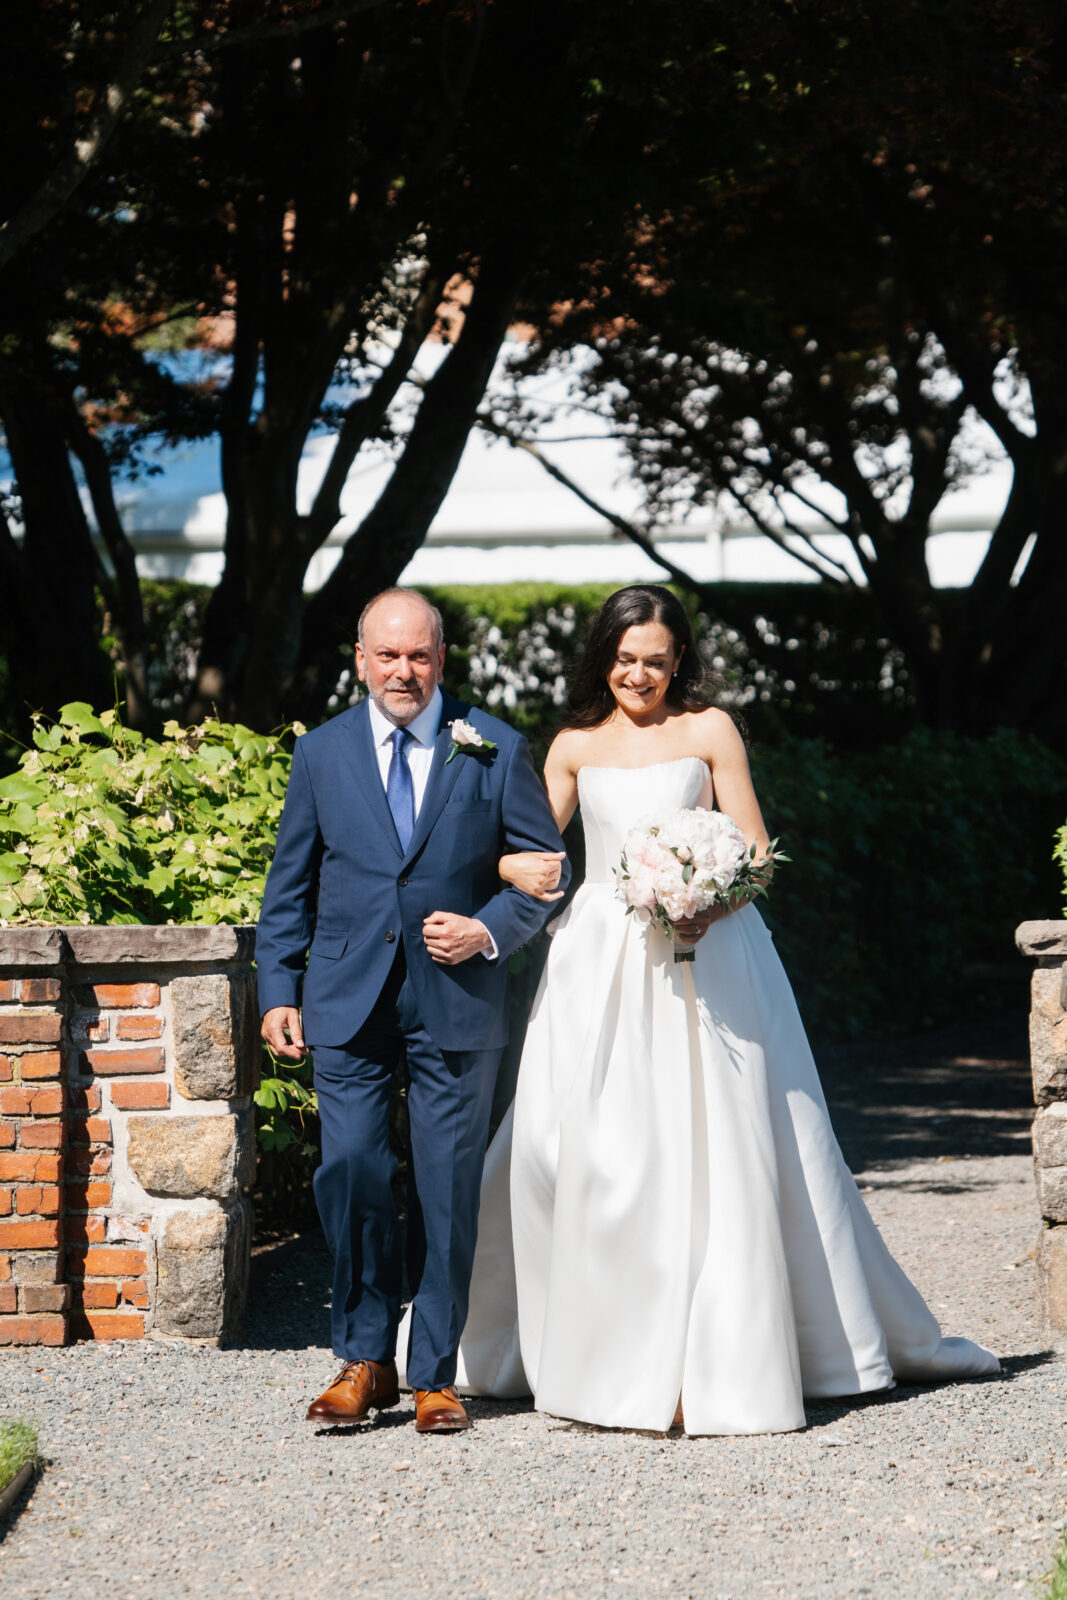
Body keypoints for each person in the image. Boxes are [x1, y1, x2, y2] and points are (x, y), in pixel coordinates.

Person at [433, 583, 998, 1436]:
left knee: (723, 1139)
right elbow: (528, 855)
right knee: (575, 1144)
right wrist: (513, 876)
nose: (639, 675)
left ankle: (727, 1356)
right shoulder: (572, 746)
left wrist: (710, 897)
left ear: (678, 662)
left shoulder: (710, 732)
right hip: (598, 958)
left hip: (710, 955)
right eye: (625, 660)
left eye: (656, 661)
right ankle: (589, 1351)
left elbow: (760, 849)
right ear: (603, 659)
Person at [255, 588, 569, 1434]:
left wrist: (486, 930)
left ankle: (434, 1372)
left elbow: (547, 870)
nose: (404, 671)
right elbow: (290, 885)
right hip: (345, 997)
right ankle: (363, 1361)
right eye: (387, 655)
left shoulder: (493, 745)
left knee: (446, 1187)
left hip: (457, 998)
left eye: (419, 655)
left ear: (441, 660)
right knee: (351, 1169)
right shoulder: (321, 754)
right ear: (360, 660)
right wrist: (278, 990)